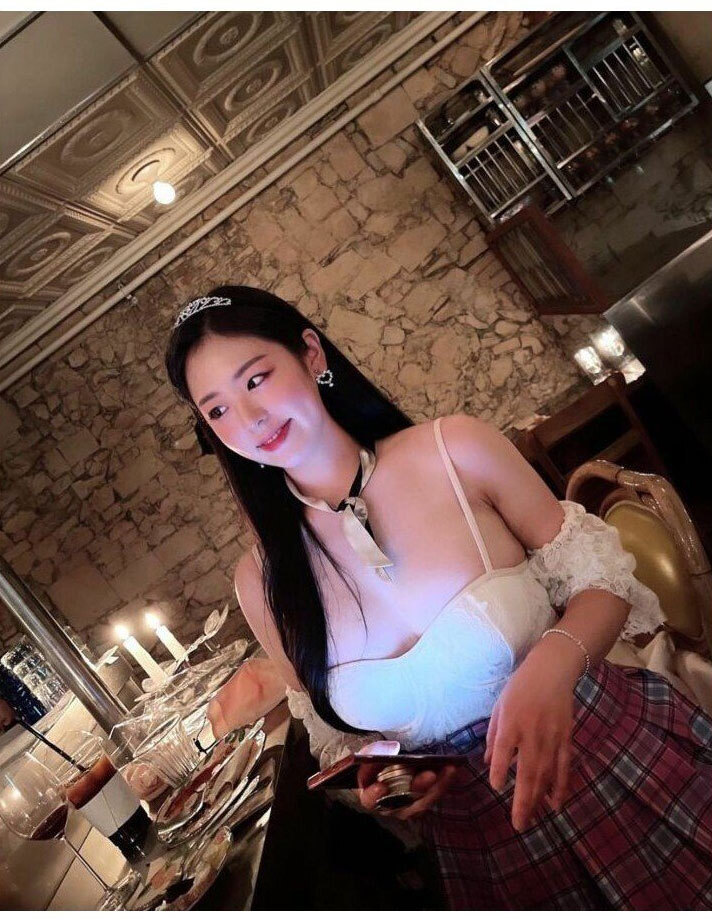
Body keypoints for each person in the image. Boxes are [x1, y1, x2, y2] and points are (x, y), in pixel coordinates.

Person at [165, 285, 712, 910]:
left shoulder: (455, 449)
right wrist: (381, 775)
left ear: (311, 354)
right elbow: (337, 736)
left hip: (616, 760)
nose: (249, 419)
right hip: (488, 849)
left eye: (256, 380)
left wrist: (552, 667)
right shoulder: (261, 582)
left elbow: (605, 581)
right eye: (217, 410)